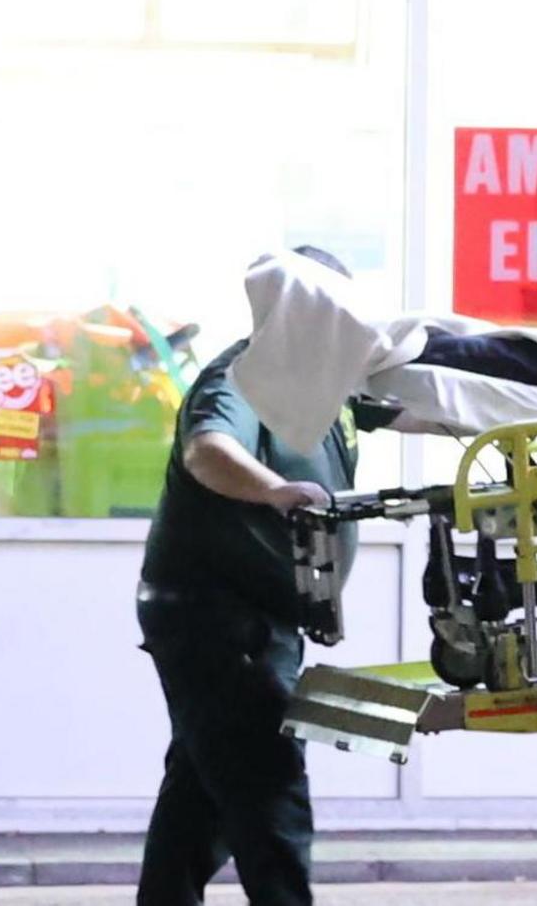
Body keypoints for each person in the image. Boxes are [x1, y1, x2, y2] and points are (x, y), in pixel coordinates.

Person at [134, 247, 359, 906]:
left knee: (202, 793)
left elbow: (414, 407)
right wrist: (275, 490)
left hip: (259, 616)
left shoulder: (324, 384)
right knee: (266, 781)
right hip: (218, 617)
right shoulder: (241, 375)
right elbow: (208, 451)